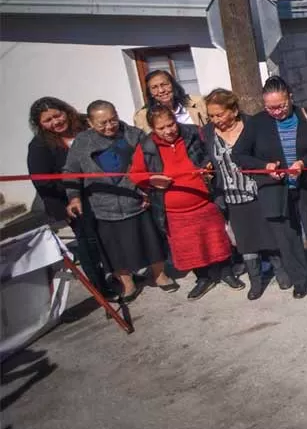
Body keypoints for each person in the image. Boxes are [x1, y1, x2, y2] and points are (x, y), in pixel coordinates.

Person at [237, 76, 307, 298]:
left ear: (290, 98)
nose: (277, 112)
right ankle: (300, 280)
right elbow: (239, 155)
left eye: (281, 106)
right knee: (287, 237)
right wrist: (265, 166)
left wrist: (303, 162)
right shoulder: (257, 123)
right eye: (271, 108)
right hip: (275, 190)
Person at [129, 106, 244, 301]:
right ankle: (204, 278)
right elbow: (135, 174)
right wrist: (152, 180)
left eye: (171, 124)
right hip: (174, 210)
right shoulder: (147, 146)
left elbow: (211, 154)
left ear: (176, 120)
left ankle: (226, 273)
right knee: (191, 248)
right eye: (161, 128)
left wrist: (207, 167)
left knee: (217, 241)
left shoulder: (192, 133)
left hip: (204, 202)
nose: (168, 131)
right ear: (152, 129)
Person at [65, 101, 175, 301]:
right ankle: (127, 283)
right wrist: (74, 198)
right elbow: (71, 171)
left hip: (136, 200)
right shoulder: (83, 142)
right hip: (102, 204)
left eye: (112, 119)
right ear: (90, 122)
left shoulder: (134, 135)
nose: (109, 126)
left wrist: (146, 191)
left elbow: (151, 165)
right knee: (113, 249)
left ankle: (160, 275)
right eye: (102, 123)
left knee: (151, 241)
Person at [26, 97, 113, 298]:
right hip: (73, 202)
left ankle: (123, 274)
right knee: (89, 242)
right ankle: (101, 287)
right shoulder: (40, 146)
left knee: (110, 236)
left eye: (57, 115)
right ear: (40, 124)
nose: (55, 122)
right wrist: (71, 194)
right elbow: (42, 181)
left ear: (66, 111)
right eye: (47, 120)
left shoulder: (86, 125)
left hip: (104, 192)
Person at [203, 89, 282, 301]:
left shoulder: (250, 124)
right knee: (246, 241)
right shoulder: (208, 133)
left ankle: (281, 273)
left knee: (269, 234)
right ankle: (256, 282)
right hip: (232, 194)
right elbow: (206, 157)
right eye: (211, 115)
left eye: (219, 114)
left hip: (258, 190)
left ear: (234, 111)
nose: (215, 120)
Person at [133, 70, 207, 131]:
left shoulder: (198, 103)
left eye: (164, 84)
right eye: (154, 87)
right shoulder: (142, 116)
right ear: (150, 93)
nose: (161, 90)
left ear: (173, 85)